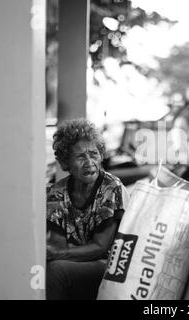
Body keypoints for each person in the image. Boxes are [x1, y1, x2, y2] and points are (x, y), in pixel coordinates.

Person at [46, 118, 130, 299]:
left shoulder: (111, 187)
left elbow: (100, 247)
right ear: (66, 162)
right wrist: (58, 254)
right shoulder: (57, 192)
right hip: (78, 262)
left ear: (101, 155)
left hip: (111, 266)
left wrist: (59, 254)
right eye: (80, 156)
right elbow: (59, 246)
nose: (89, 162)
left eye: (93, 154)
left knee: (57, 271)